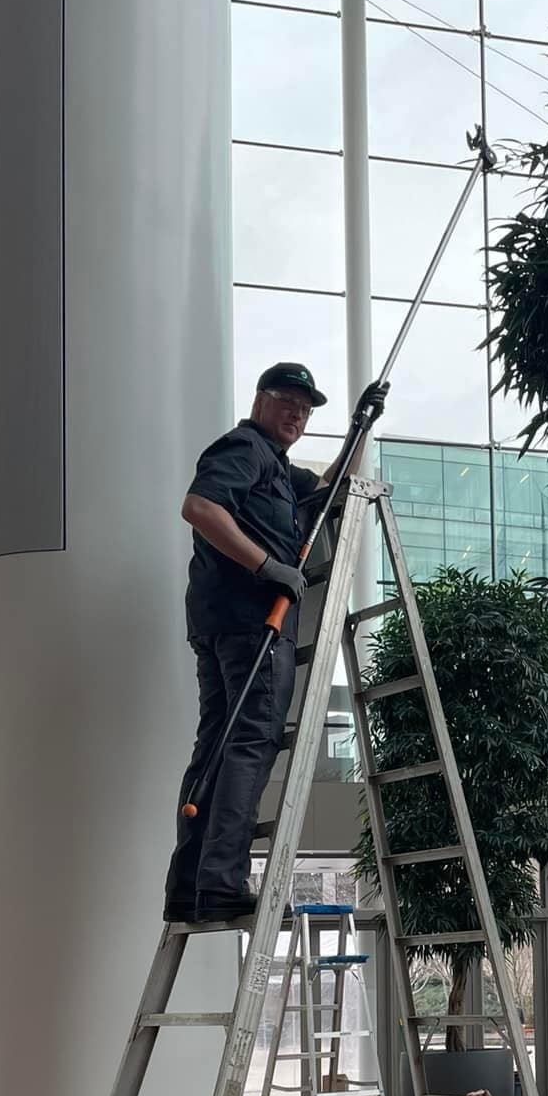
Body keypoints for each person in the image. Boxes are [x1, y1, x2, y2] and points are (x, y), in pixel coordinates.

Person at [163, 362, 383, 922]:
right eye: (288, 401)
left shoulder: (281, 474)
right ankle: (220, 882)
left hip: (227, 623)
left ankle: (190, 886)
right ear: (262, 400)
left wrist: (360, 427)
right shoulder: (245, 449)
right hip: (251, 624)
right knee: (251, 743)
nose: (297, 415)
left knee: (215, 748)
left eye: (306, 410)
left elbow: (331, 491)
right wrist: (267, 566)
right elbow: (200, 508)